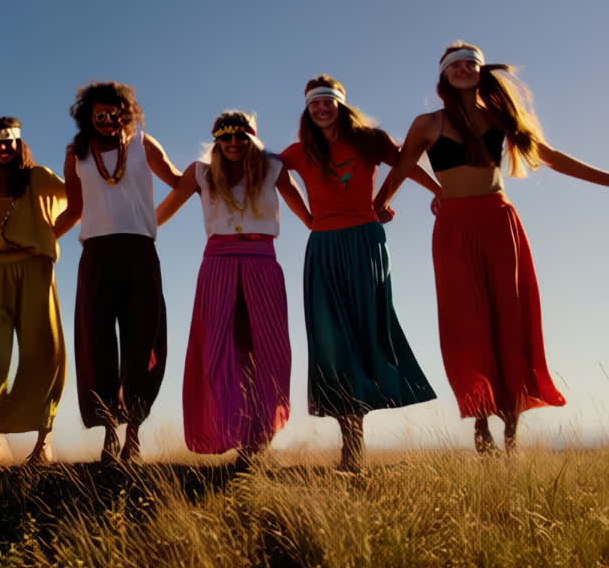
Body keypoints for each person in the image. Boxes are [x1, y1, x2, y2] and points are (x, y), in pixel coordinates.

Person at [378, 42, 609, 453]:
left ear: (482, 73)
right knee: (466, 325)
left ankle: (511, 431)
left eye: (472, 64)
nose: (464, 68)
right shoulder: (428, 123)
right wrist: (381, 204)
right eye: (456, 64)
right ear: (444, 75)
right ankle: (481, 423)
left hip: (500, 222)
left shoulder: (500, 118)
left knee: (510, 320)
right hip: (454, 230)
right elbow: (402, 166)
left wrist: (606, 179)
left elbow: (550, 156)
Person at [279, 76, 438, 471]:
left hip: (365, 243)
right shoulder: (299, 151)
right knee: (331, 338)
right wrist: (307, 217)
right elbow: (276, 175)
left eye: (328, 101)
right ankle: (351, 445)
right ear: (307, 109)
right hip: (324, 247)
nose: (321, 108)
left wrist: (435, 191)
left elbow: (405, 162)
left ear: (340, 105)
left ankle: (359, 436)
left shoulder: (369, 140)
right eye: (315, 103)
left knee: (367, 330)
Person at [157, 111, 309, 466]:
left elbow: (309, 215)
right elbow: (162, 212)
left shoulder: (273, 168)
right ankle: (232, 429)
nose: (233, 143)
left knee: (268, 349)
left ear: (252, 139)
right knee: (219, 347)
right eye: (225, 138)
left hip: (262, 261)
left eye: (241, 137)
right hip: (218, 261)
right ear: (217, 141)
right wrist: (130, 232)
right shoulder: (201, 173)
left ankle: (258, 439)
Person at [62, 81, 185, 462]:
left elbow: (183, 184)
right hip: (96, 254)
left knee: (142, 340)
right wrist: (39, 243)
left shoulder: (145, 145)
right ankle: (109, 435)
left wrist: (155, 220)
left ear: (126, 112)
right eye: (99, 114)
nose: (107, 120)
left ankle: (134, 431)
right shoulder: (76, 153)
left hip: (139, 251)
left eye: (114, 113)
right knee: (95, 342)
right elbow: (73, 209)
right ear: (88, 116)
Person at [0, 117, 71, 465]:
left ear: (19, 143)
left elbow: (77, 198)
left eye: (9, 142)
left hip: (36, 267)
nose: (2, 148)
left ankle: (44, 441)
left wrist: (49, 236)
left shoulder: (38, 177)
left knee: (44, 350)